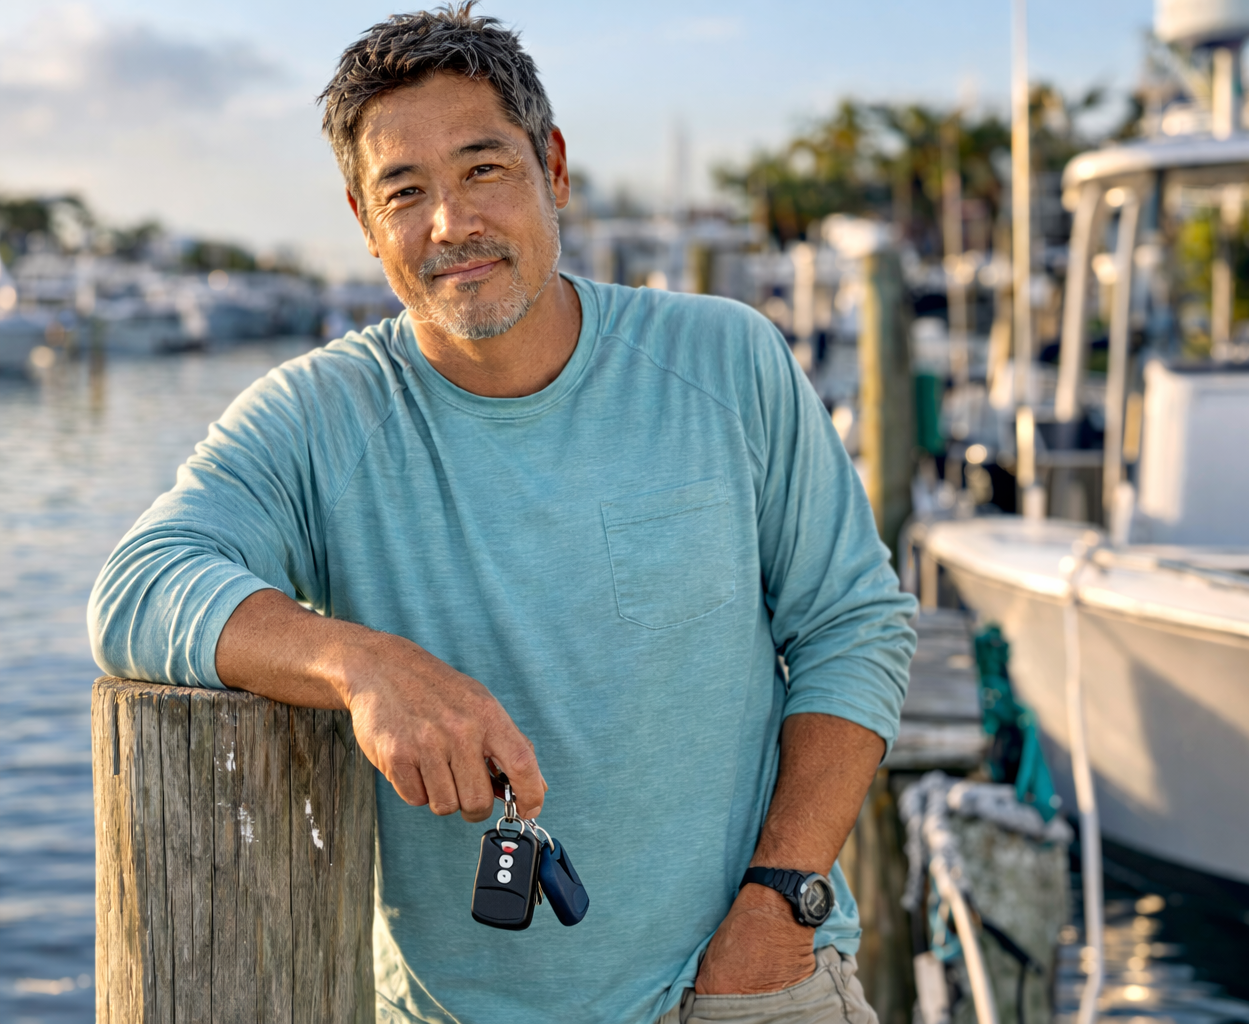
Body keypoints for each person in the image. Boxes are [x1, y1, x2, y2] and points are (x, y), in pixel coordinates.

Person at [88, 4, 916, 1023]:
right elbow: (140, 582)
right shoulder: (315, 416)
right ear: (363, 220)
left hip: (752, 985)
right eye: (406, 191)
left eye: (483, 168)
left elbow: (854, 626)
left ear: (552, 169)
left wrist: (781, 904)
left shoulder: (726, 359)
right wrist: (365, 666)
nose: (451, 224)